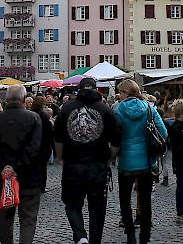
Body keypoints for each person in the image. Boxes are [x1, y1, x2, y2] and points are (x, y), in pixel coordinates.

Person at [54, 77, 122, 244]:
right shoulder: (105, 109)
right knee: (98, 208)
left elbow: (58, 138)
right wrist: (110, 158)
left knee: (72, 203)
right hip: (98, 164)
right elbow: (116, 140)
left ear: (79, 89)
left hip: (73, 164)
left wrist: (60, 157)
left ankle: (80, 235)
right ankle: (94, 240)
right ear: (96, 88)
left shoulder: (66, 108)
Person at [0, 85, 43, 244]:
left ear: (6, 99)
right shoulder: (34, 118)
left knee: (5, 220)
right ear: (24, 100)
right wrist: (17, 166)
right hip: (29, 178)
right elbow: (35, 148)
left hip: (4, 178)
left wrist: (4, 167)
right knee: (28, 220)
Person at [115, 79, 168, 244]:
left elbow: (114, 135)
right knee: (145, 200)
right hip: (146, 160)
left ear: (126, 93)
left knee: (125, 199)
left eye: (120, 92)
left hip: (125, 161)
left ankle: (130, 234)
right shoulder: (150, 109)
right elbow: (164, 133)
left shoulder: (117, 110)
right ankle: (145, 236)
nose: (118, 95)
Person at [30, 97, 54, 192]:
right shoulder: (45, 117)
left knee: (33, 167)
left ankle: (33, 184)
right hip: (43, 146)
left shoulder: (30, 115)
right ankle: (42, 186)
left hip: (33, 146)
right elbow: (50, 133)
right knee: (43, 168)